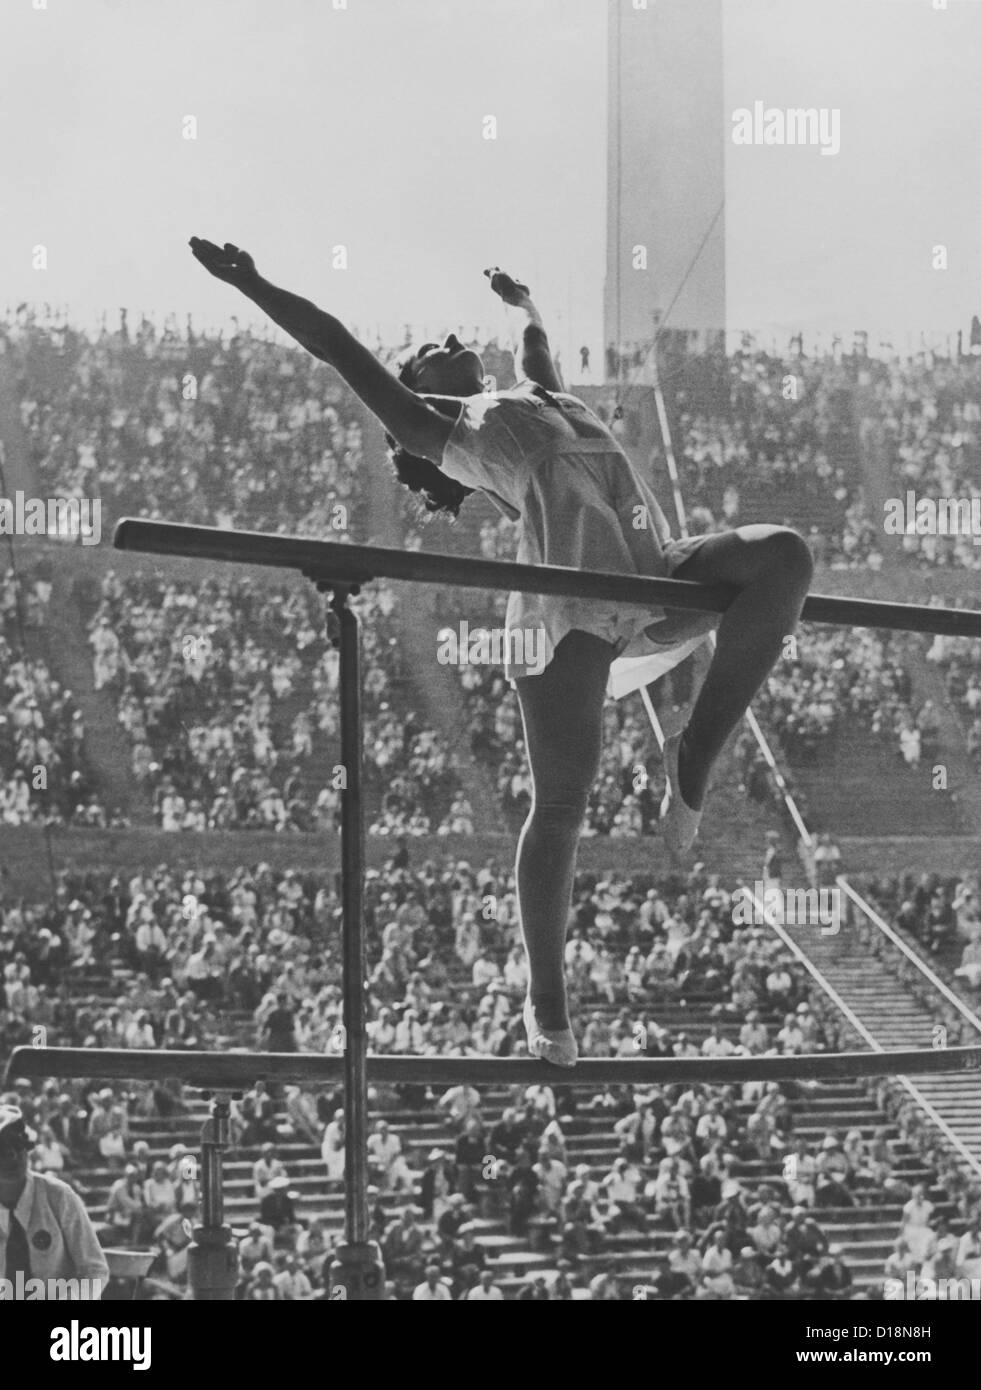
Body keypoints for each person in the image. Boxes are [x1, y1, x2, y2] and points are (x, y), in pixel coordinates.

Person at [190, 238, 814, 1069]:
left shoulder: (538, 393)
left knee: (784, 556)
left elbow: (534, 346)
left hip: (653, 573)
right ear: (419, 394)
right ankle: (545, 998)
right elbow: (338, 346)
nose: (447, 342)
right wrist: (255, 281)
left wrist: (522, 305)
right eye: (428, 354)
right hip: (567, 604)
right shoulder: (444, 429)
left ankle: (691, 751)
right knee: (561, 804)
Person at [0, 1106, 109, 1298]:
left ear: (29, 1149)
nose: (12, 1157)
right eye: (1, 1150)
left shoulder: (59, 1197)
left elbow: (95, 1271)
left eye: (18, 1146)